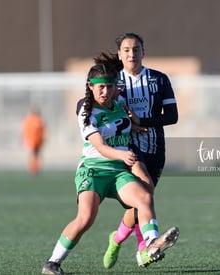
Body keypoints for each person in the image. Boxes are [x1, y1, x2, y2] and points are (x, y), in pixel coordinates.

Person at [41, 55, 179, 275]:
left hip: (118, 172)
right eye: (101, 87)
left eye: (110, 87)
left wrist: (133, 128)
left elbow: (121, 122)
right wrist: (122, 155)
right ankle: (52, 263)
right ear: (90, 87)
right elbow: (101, 146)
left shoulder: (120, 102)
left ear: (117, 87)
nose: (105, 92)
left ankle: (152, 243)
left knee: (144, 197)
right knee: (86, 218)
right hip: (94, 170)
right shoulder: (86, 111)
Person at [103, 32, 179, 268]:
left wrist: (141, 120)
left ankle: (115, 240)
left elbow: (173, 117)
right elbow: (101, 110)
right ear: (119, 54)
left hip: (156, 148)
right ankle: (147, 247)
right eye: (126, 50)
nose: (131, 54)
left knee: (140, 203)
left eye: (136, 49)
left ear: (143, 52)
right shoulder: (113, 82)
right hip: (128, 147)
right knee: (145, 192)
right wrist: (127, 125)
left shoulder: (159, 79)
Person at [22, 108, 46, 175]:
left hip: (36, 140)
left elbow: (42, 130)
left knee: (35, 155)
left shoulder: (37, 120)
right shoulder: (33, 120)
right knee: (33, 155)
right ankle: (33, 169)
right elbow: (27, 130)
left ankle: (35, 168)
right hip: (33, 140)